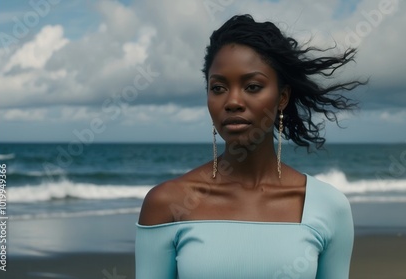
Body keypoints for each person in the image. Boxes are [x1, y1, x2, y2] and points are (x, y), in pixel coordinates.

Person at [135, 14, 364, 279]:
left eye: (252, 86)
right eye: (218, 88)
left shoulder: (327, 207)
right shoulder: (167, 204)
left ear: (282, 97)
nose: (232, 101)